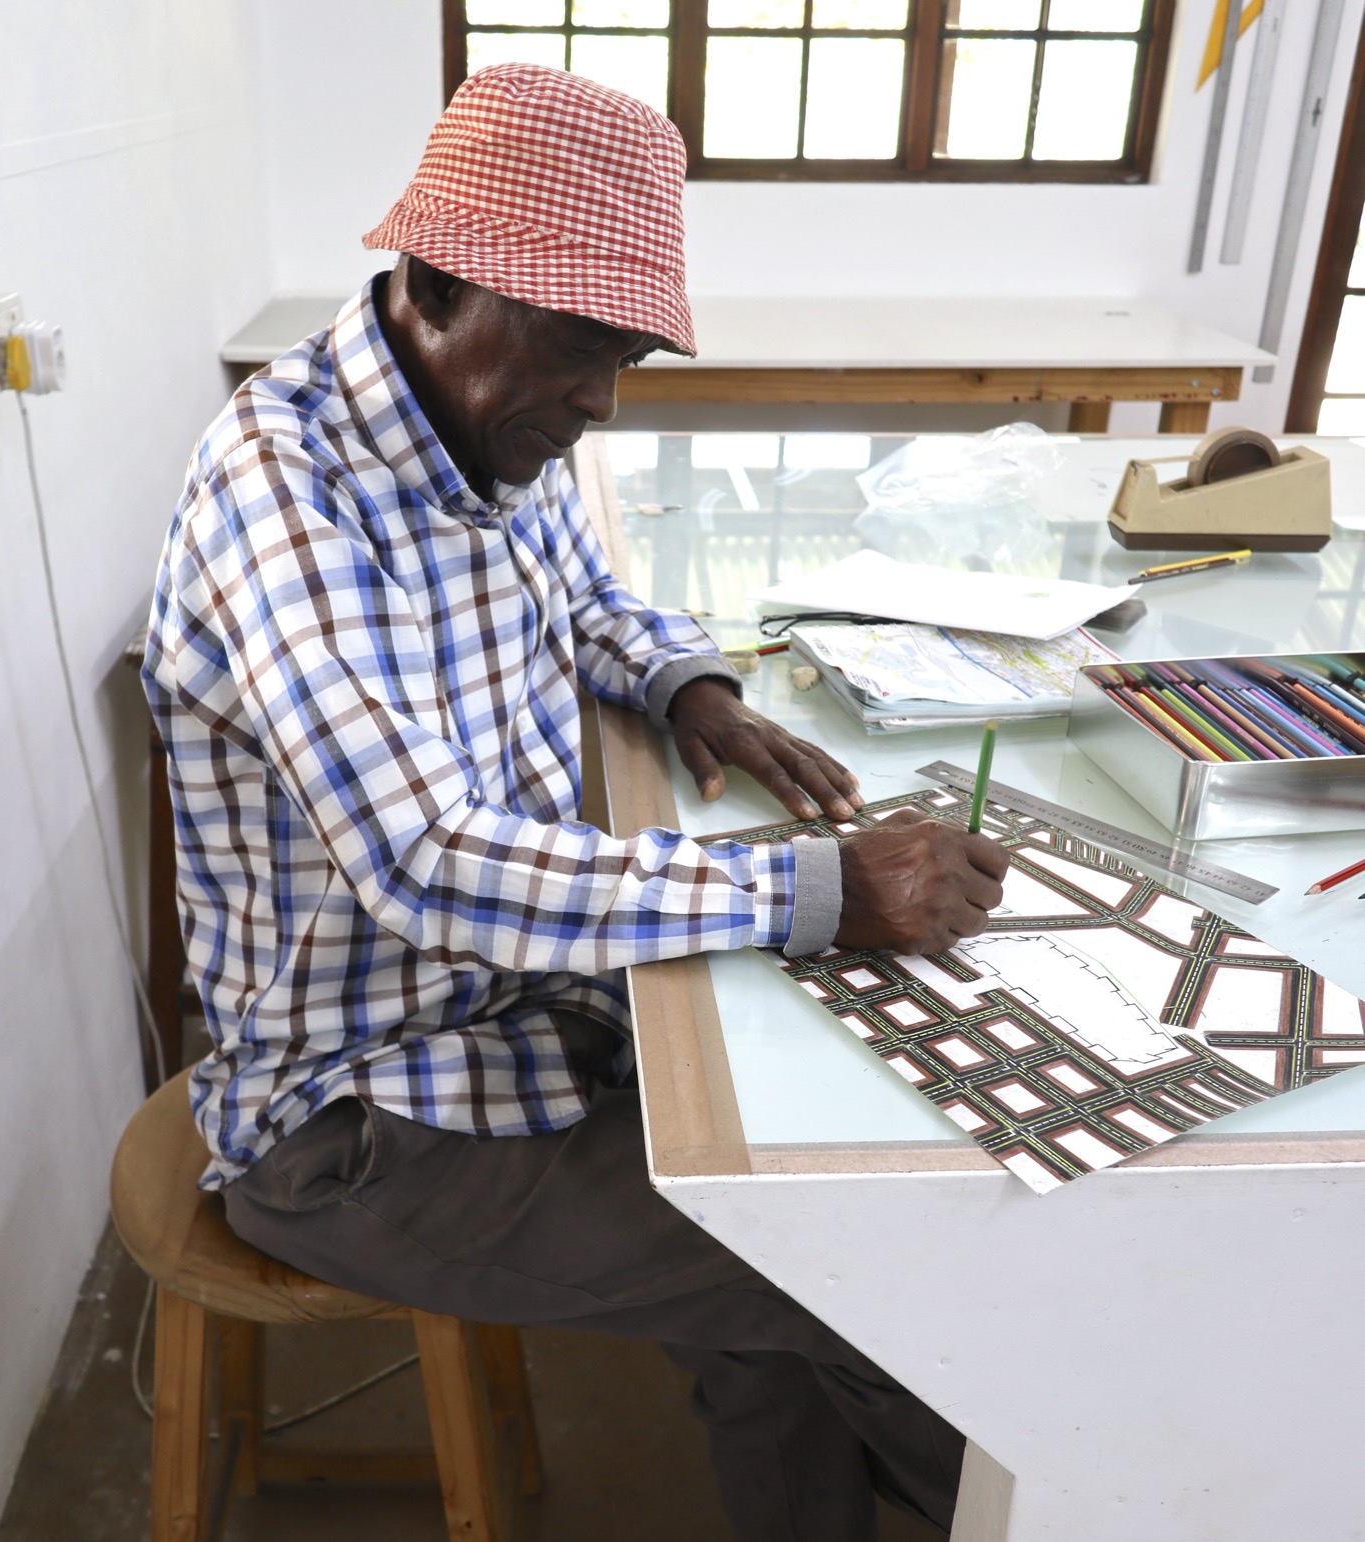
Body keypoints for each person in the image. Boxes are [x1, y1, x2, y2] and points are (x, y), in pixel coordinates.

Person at [143, 63, 1008, 1541]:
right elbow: (424, 859)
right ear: (430, 282)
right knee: (844, 1258)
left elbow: (586, 589)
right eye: (575, 348)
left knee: (802, 1235)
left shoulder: (480, 420)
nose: (599, 403)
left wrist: (691, 688)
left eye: (626, 359)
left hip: (522, 1020)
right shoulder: (283, 489)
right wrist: (820, 890)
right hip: (356, 1120)